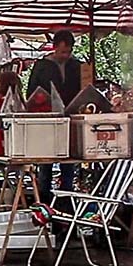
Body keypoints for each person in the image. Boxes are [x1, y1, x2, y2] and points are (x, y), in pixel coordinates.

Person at [27, 29, 82, 202]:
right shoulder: (41, 66)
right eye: (62, 51)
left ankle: (66, 195)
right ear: (54, 47)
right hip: (47, 119)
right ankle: (44, 195)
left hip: (71, 117)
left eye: (68, 51)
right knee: (47, 158)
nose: (65, 55)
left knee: (69, 156)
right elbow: (31, 92)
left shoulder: (77, 65)